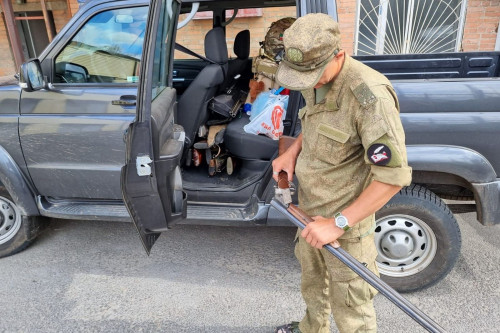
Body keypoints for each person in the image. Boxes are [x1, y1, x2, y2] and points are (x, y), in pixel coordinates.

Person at [271, 13, 412, 333]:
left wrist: (338, 223)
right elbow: (317, 125)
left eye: (315, 75)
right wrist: (291, 155)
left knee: (351, 307)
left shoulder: (369, 96)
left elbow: (392, 178)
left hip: (345, 226)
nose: (310, 83)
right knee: (313, 285)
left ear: (338, 54)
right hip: (308, 214)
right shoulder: (315, 75)